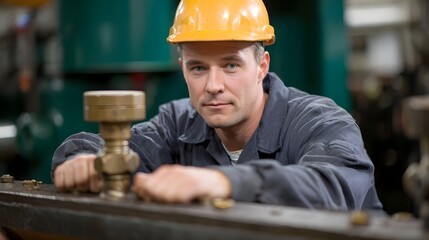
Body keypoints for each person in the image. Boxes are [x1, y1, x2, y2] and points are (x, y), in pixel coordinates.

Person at [51, 0, 383, 211]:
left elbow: (336, 188)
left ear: (262, 66)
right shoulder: (178, 122)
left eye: (230, 65)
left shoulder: (320, 122)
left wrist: (223, 183)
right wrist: (85, 160)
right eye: (198, 68)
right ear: (183, 68)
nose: (213, 85)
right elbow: (115, 148)